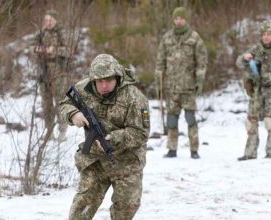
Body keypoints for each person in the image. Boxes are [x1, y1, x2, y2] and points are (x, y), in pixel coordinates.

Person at [60, 54, 150, 219]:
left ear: (117, 76)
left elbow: (141, 133)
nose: (103, 85)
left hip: (126, 162)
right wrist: (73, 114)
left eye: (108, 80)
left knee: (125, 212)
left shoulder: (135, 98)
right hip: (95, 161)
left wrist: (114, 139)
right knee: (80, 212)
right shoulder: (83, 88)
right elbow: (65, 104)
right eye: (99, 81)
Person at [154, 7, 208, 159]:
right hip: (172, 88)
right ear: (173, 20)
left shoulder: (194, 38)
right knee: (171, 120)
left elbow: (202, 61)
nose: (178, 21)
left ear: (186, 19)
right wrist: (159, 82)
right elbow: (160, 62)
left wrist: (199, 80)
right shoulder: (167, 38)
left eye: (181, 18)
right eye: (176, 18)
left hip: (189, 87)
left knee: (190, 119)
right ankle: (172, 149)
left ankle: (194, 150)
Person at [236, 20, 271, 161]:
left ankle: (270, 154)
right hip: (256, 92)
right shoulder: (256, 49)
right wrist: (244, 58)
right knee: (251, 121)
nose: (265, 37)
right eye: (263, 34)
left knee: (269, 122)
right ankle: (250, 153)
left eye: (268, 34)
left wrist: (261, 75)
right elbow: (239, 63)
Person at [30, 9, 69, 141]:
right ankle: (49, 131)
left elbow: (68, 50)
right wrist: (37, 49)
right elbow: (30, 45)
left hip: (58, 73)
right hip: (43, 72)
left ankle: (62, 131)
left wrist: (55, 50)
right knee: (46, 103)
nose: (48, 23)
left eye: (50, 20)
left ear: (56, 20)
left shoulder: (62, 33)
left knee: (60, 102)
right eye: (46, 20)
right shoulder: (41, 33)